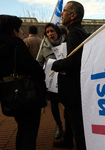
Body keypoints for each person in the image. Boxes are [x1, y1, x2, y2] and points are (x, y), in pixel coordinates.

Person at [0, 15, 46, 150]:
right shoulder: (17, 45)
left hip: (10, 95)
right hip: (27, 96)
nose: (22, 32)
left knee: (22, 129)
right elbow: (36, 71)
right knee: (29, 134)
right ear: (14, 31)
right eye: (20, 29)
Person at [51, 1, 89, 150]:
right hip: (73, 89)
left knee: (78, 126)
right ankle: (67, 141)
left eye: (64, 11)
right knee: (69, 117)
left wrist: (53, 64)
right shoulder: (77, 31)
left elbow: (73, 62)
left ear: (73, 15)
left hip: (73, 90)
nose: (61, 13)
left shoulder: (74, 33)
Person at [37, 23, 64, 139]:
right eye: (47, 32)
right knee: (53, 105)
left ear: (57, 31)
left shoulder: (65, 43)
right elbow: (39, 62)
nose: (50, 34)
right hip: (51, 81)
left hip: (64, 80)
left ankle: (70, 128)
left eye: (52, 31)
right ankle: (59, 125)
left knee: (67, 105)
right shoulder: (43, 46)